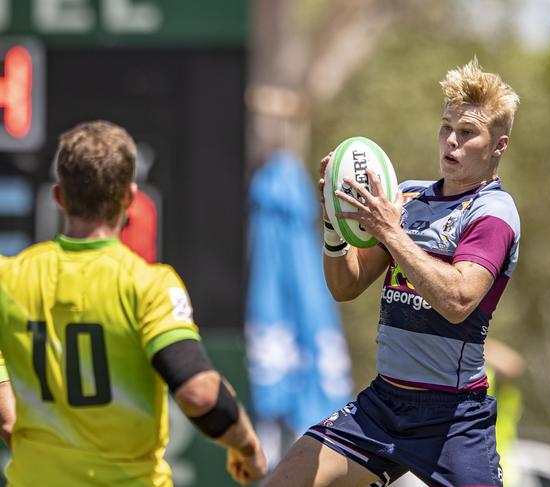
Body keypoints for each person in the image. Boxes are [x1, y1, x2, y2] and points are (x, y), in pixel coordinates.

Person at [264, 58, 521, 487]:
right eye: (446, 128)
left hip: (452, 418)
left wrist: (389, 230)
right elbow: (345, 287)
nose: (451, 142)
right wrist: (334, 217)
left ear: (499, 145)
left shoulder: (493, 213)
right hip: (382, 406)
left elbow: (458, 301)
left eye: (467, 133)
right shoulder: (408, 198)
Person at [0, 121, 267, 486]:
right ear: (130, 197)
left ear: (59, 196)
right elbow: (200, 394)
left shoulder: (8, 278)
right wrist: (247, 443)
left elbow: (6, 414)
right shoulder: (148, 285)